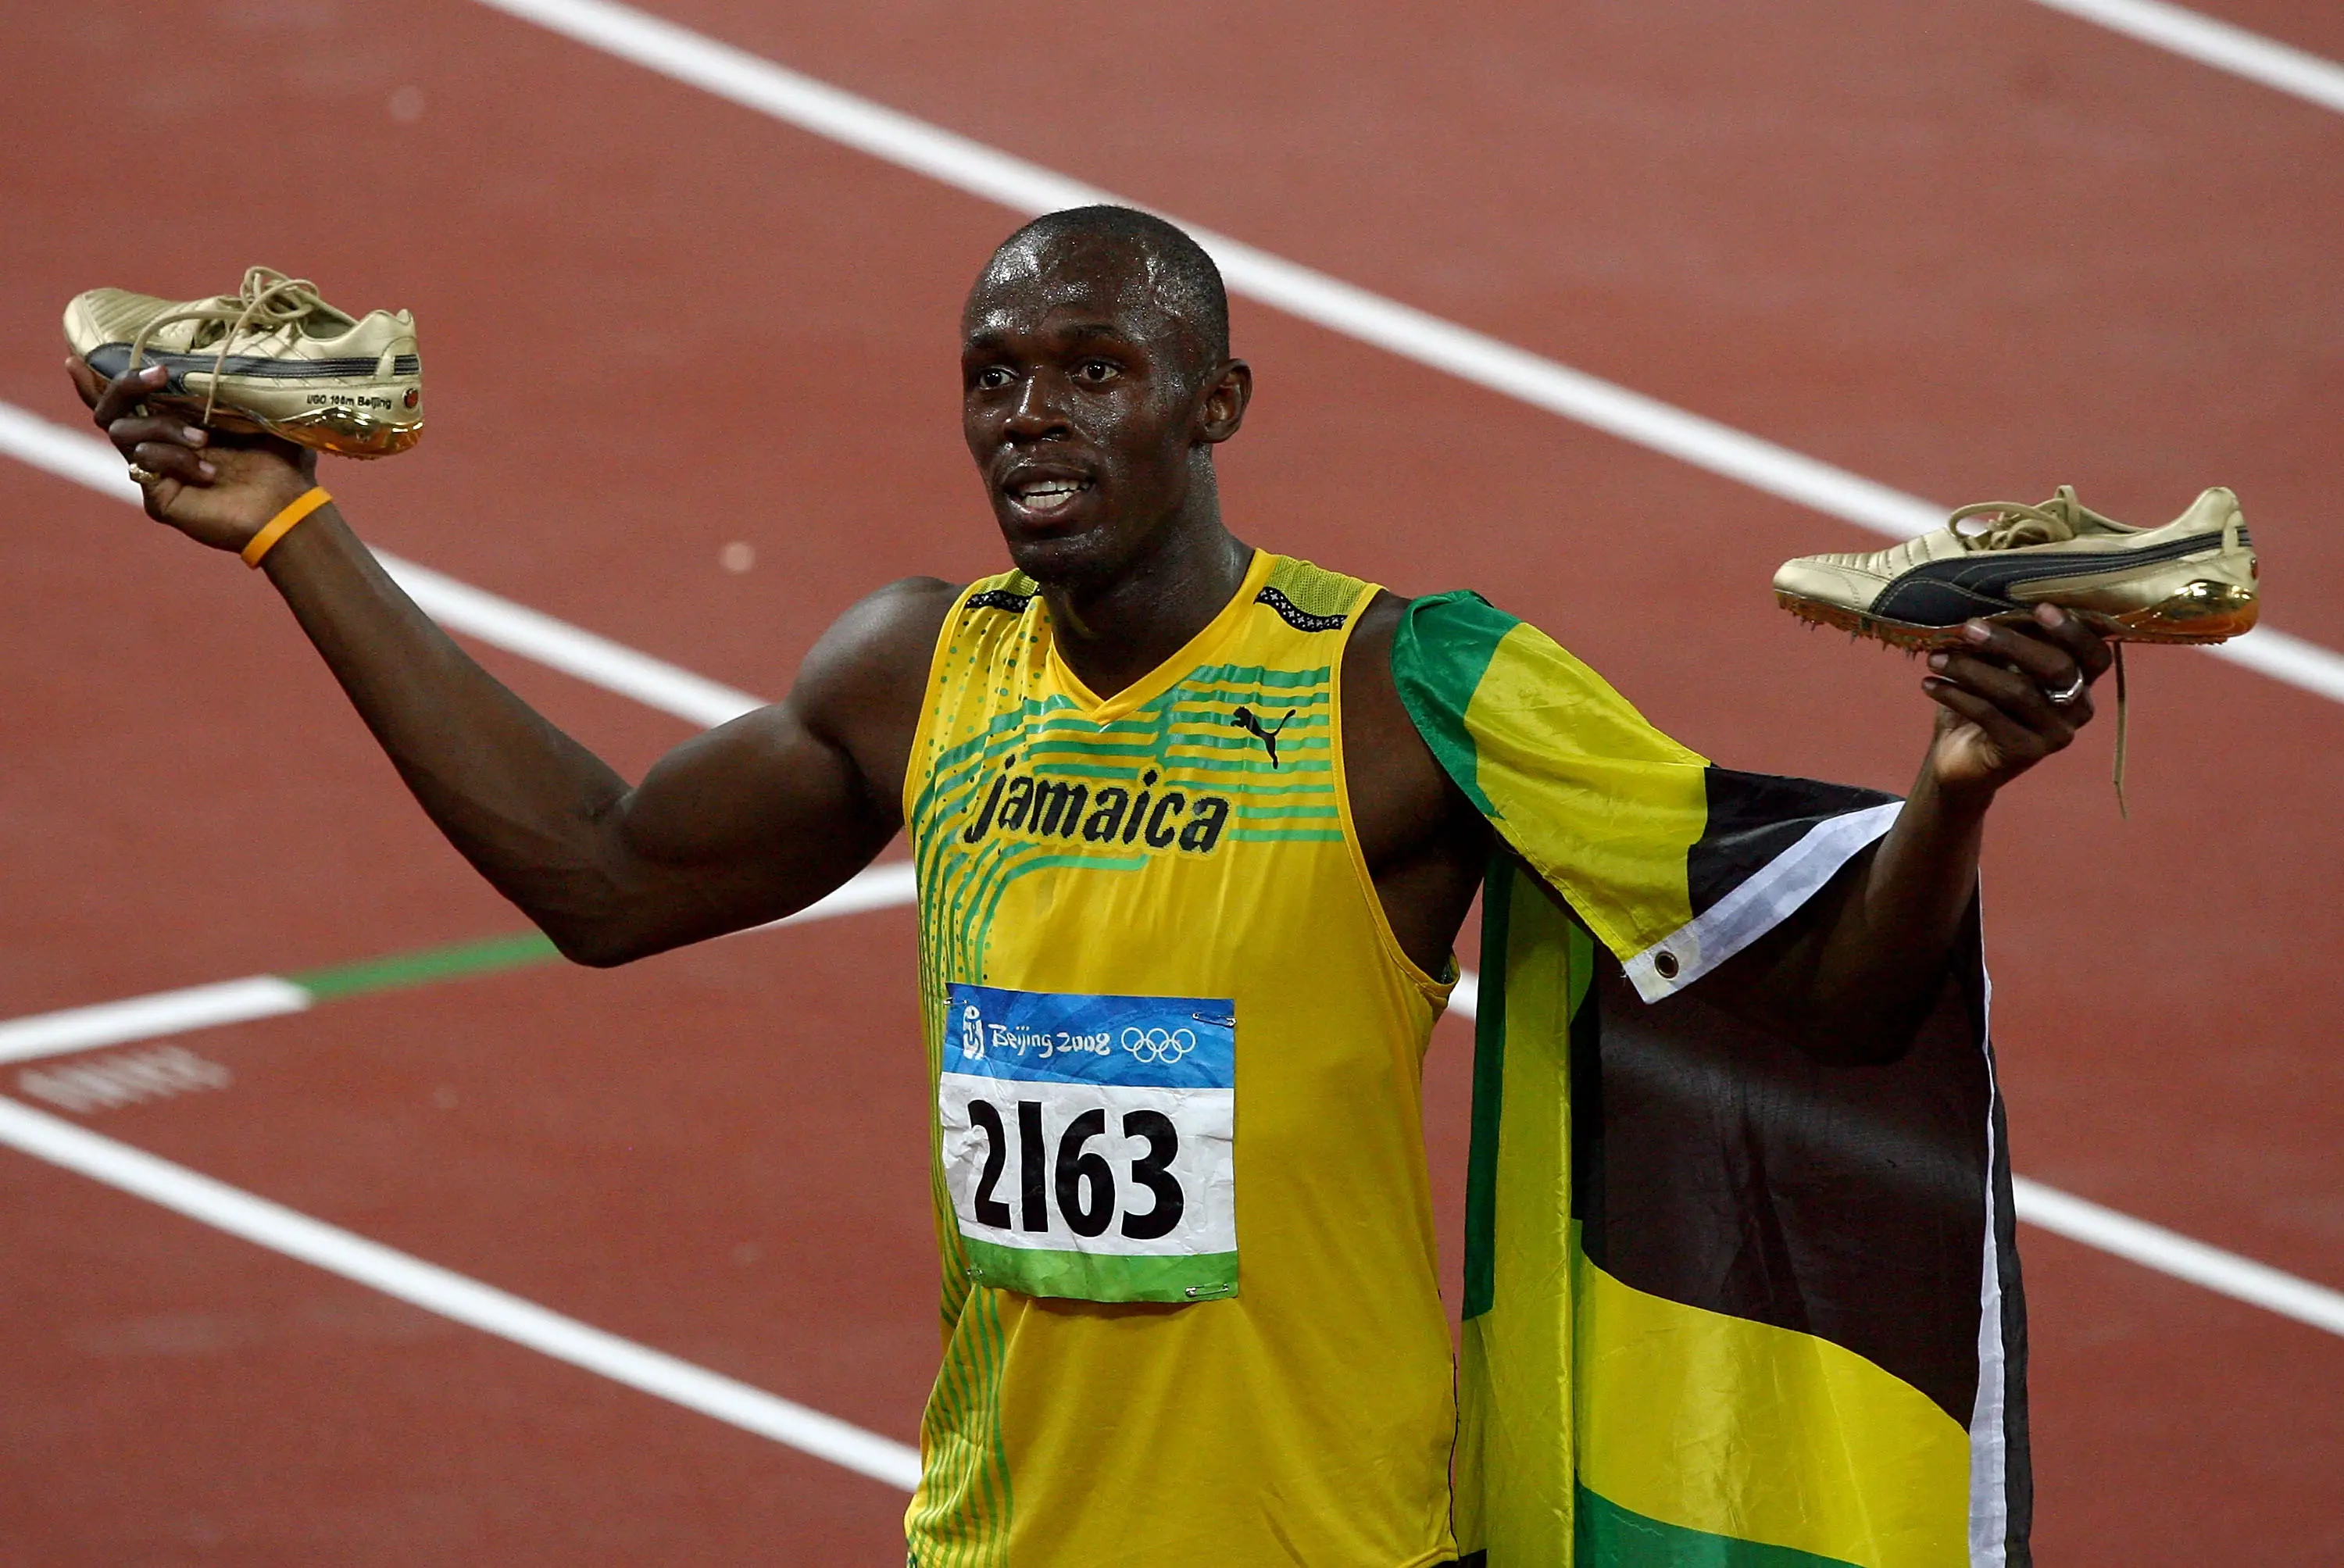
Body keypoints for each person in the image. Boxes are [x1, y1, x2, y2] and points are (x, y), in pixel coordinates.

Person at [70, 205, 2107, 1566]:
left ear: (1218, 406)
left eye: (1094, 370)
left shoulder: (1405, 688)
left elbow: (1823, 998)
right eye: (993, 373)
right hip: (998, 1538)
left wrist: (1954, 780)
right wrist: (292, 537)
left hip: (1329, 1543)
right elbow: (603, 874)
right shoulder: (917, 672)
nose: (1031, 415)